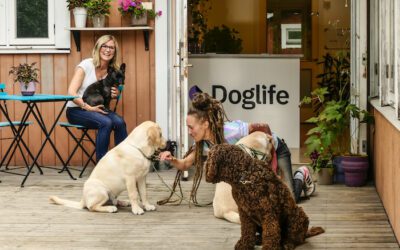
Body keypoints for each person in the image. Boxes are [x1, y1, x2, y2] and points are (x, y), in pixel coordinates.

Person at [159, 93, 315, 203]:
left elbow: (264, 128)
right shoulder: (202, 144)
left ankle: (301, 174)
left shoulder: (230, 130)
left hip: (276, 150)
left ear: (205, 124)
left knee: (289, 199)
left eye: (191, 127)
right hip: (257, 162)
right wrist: (171, 159)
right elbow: (185, 164)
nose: (189, 132)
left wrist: (272, 170)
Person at [66, 35, 128, 162]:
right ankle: (102, 165)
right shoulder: (86, 65)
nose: (107, 50)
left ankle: (123, 162)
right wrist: (87, 107)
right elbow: (71, 92)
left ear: (114, 51)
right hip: (77, 110)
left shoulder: (112, 71)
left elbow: (110, 92)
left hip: (98, 109)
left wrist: (115, 93)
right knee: (106, 123)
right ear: (98, 48)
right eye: (104, 46)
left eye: (111, 47)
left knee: (120, 122)